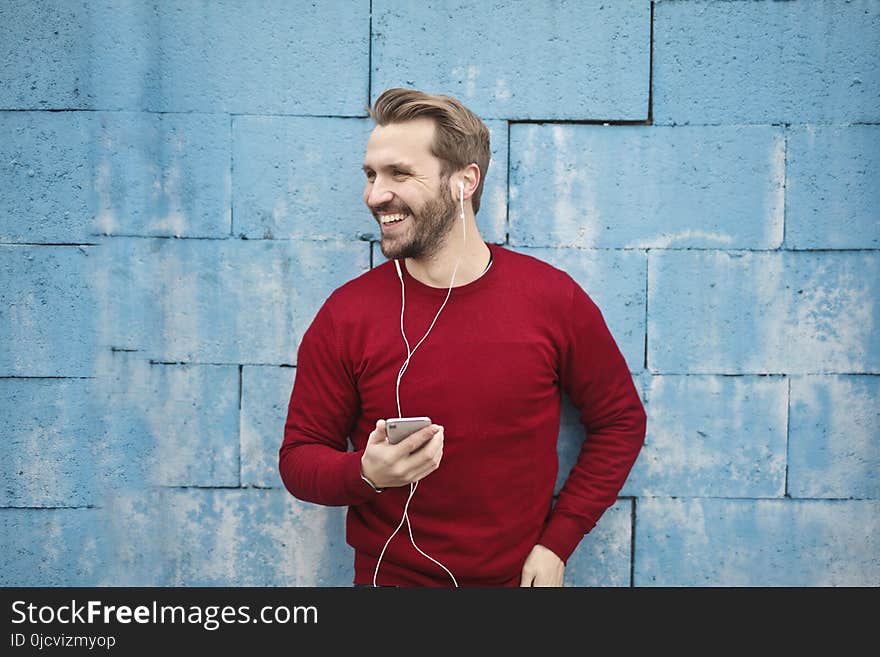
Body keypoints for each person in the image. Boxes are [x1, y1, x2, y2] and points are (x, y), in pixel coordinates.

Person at [279, 87, 646, 587]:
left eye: (399, 174)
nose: (374, 194)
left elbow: (620, 422)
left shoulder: (551, 299)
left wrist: (558, 542)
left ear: (464, 181)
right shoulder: (346, 316)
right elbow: (300, 458)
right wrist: (366, 474)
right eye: (370, 175)